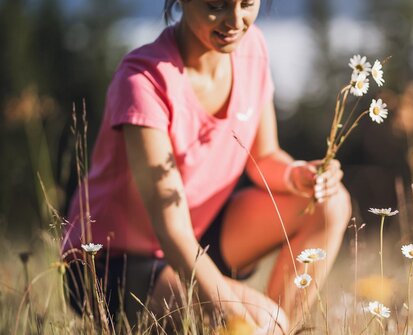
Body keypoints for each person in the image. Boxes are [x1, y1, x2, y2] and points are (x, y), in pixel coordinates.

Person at [63, 0, 351, 333]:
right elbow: (171, 230)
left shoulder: (252, 49)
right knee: (259, 322)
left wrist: (296, 175)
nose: (235, 21)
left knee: (331, 203)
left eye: (247, 4)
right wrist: (232, 313)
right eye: (216, 5)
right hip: (109, 260)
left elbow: (265, 156)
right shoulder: (143, 81)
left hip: (199, 236)